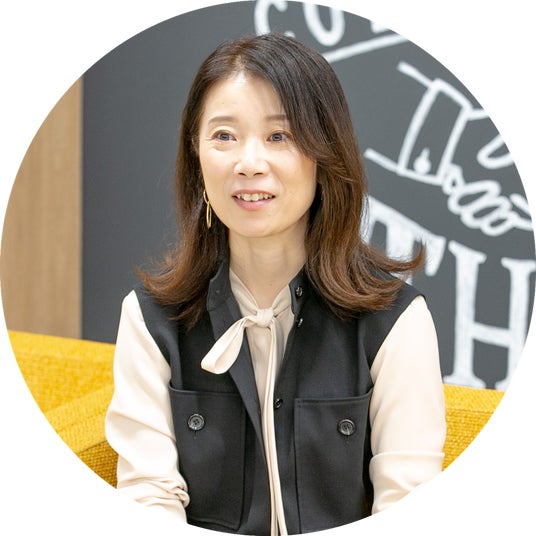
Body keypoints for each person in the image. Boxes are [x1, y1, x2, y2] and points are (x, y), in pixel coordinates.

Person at [105, 32, 446, 536]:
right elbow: (147, 498)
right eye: (224, 136)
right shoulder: (151, 319)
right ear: (196, 156)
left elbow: (408, 507)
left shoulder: (396, 322)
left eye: (279, 136)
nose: (248, 164)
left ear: (325, 155)